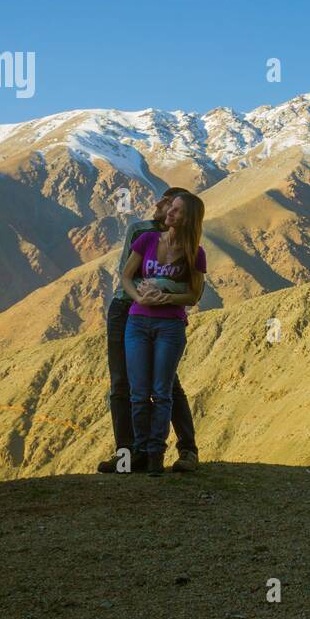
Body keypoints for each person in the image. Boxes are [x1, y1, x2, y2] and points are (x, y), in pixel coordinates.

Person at [97, 189, 201, 474]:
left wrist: (165, 296)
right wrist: (152, 293)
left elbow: (191, 288)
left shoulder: (188, 243)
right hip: (125, 309)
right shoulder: (141, 231)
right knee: (122, 384)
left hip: (161, 317)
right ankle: (129, 456)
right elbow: (127, 272)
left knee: (167, 387)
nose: (160, 204)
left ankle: (187, 450)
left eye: (168, 201)